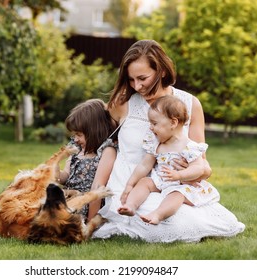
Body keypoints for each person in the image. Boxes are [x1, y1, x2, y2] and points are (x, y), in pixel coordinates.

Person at [93, 39, 245, 242]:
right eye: (131, 80)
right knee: (173, 223)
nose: (137, 86)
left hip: (174, 184)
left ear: (162, 71)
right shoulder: (122, 103)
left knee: (212, 219)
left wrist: (185, 173)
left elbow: (204, 166)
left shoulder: (190, 104)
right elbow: (97, 138)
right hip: (132, 185)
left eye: (142, 78)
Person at [118, 95, 220, 225]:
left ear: (173, 123)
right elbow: (144, 165)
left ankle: (158, 214)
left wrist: (179, 175)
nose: (150, 127)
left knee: (176, 194)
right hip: (161, 180)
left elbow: (199, 168)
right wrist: (130, 184)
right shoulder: (156, 143)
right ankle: (131, 206)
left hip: (182, 184)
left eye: (154, 123)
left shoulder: (190, 147)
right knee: (145, 182)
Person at [55, 99, 117, 222]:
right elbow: (65, 177)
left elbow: (98, 188)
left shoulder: (106, 151)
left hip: (87, 203)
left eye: (79, 134)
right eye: (74, 135)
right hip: (69, 195)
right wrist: (55, 167)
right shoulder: (77, 148)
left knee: (62, 214)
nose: (75, 139)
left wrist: (90, 222)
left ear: (94, 131)